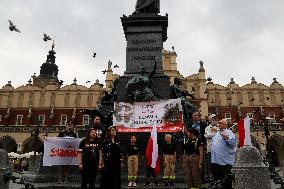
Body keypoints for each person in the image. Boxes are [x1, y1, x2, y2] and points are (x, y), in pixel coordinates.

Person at [211, 119, 237, 189]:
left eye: (221, 123)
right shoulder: (217, 133)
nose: (219, 124)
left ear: (225, 125)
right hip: (216, 162)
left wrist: (226, 137)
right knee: (218, 181)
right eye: (219, 123)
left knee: (227, 182)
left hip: (225, 162)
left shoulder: (229, 132)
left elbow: (233, 143)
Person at [204, 114, 218, 181]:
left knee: (217, 164)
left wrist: (211, 134)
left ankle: (216, 177)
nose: (213, 120)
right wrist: (215, 134)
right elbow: (206, 136)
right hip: (210, 148)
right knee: (210, 164)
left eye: (214, 119)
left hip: (218, 149)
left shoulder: (218, 127)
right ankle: (210, 177)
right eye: (212, 119)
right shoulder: (207, 128)